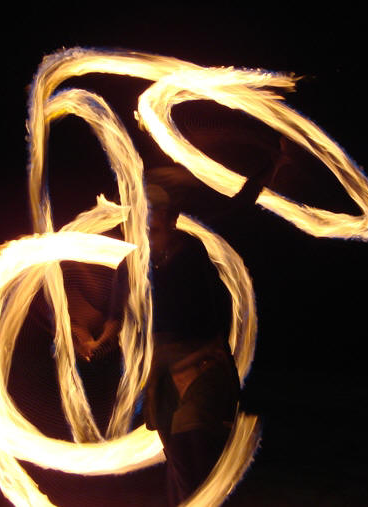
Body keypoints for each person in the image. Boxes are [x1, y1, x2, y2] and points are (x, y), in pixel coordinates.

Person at [143, 159, 281, 505]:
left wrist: (270, 167)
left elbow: (235, 211)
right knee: (180, 467)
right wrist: (88, 339)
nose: (146, 221)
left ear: (170, 217)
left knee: (198, 467)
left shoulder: (191, 249)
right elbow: (113, 315)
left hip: (203, 367)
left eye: (154, 213)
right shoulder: (136, 265)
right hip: (164, 376)